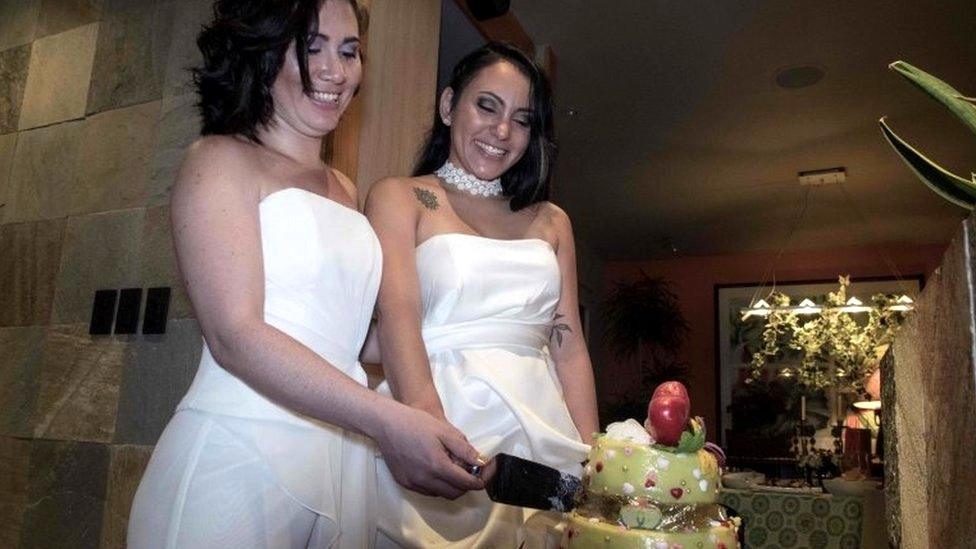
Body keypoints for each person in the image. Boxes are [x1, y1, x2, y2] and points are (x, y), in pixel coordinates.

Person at [127, 2, 482, 547]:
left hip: (336, 465)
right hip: (238, 459)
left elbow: (353, 340)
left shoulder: (344, 186)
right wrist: (384, 419)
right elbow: (236, 336)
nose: (335, 71)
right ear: (264, 53)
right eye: (312, 47)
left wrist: (475, 349)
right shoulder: (218, 160)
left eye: (349, 51)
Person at [366, 42, 599, 548]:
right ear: (449, 105)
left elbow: (570, 345)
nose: (501, 132)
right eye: (486, 106)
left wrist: (593, 460)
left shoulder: (552, 220)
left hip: (544, 432)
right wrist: (429, 429)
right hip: (441, 420)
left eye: (522, 119)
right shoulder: (401, 197)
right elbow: (397, 316)